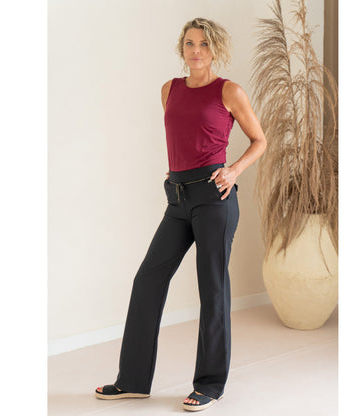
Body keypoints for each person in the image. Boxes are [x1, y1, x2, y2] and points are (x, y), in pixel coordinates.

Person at [94, 17, 267, 412]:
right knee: (147, 281)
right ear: (182, 48)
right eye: (190, 43)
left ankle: (210, 384)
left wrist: (234, 170)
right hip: (177, 199)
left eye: (204, 44)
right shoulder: (169, 90)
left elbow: (260, 140)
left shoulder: (229, 91)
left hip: (214, 198)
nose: (196, 51)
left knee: (212, 289)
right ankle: (132, 380)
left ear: (215, 49)